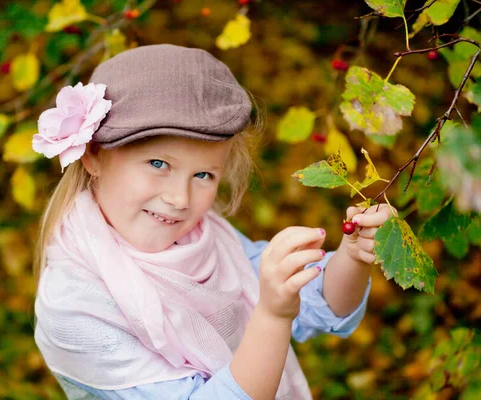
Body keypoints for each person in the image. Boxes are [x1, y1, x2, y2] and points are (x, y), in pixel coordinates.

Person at [32, 44, 393, 400]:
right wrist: (271, 316)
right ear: (94, 156)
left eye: (203, 174)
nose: (180, 198)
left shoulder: (204, 240)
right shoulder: (74, 305)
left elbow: (319, 305)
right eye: (159, 164)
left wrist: (353, 254)